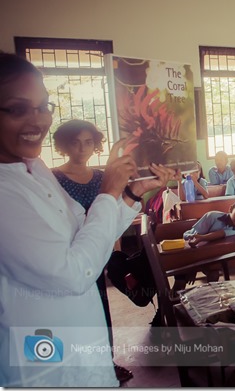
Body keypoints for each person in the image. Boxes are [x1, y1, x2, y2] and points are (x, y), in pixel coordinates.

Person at [0, 52, 176, 387]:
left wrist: (131, 194)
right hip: (45, 362)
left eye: (43, 106)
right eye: (19, 108)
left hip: (80, 341)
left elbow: (85, 229)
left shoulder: (32, 168)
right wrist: (109, 191)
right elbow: (73, 273)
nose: (37, 120)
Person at [52, 119, 133, 382]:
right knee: (75, 313)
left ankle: (107, 362)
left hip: (99, 253)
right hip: (72, 255)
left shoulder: (102, 177)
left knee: (102, 309)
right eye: (75, 143)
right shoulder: (54, 179)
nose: (82, 148)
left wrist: (114, 251)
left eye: (88, 142)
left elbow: (113, 217)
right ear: (64, 146)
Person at [177, 198, 235, 291]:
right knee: (181, 279)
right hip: (189, 251)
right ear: (231, 209)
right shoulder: (212, 216)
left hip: (209, 258)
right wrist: (193, 269)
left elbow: (220, 233)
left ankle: (209, 296)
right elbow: (194, 239)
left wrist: (202, 238)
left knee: (214, 273)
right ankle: (174, 296)